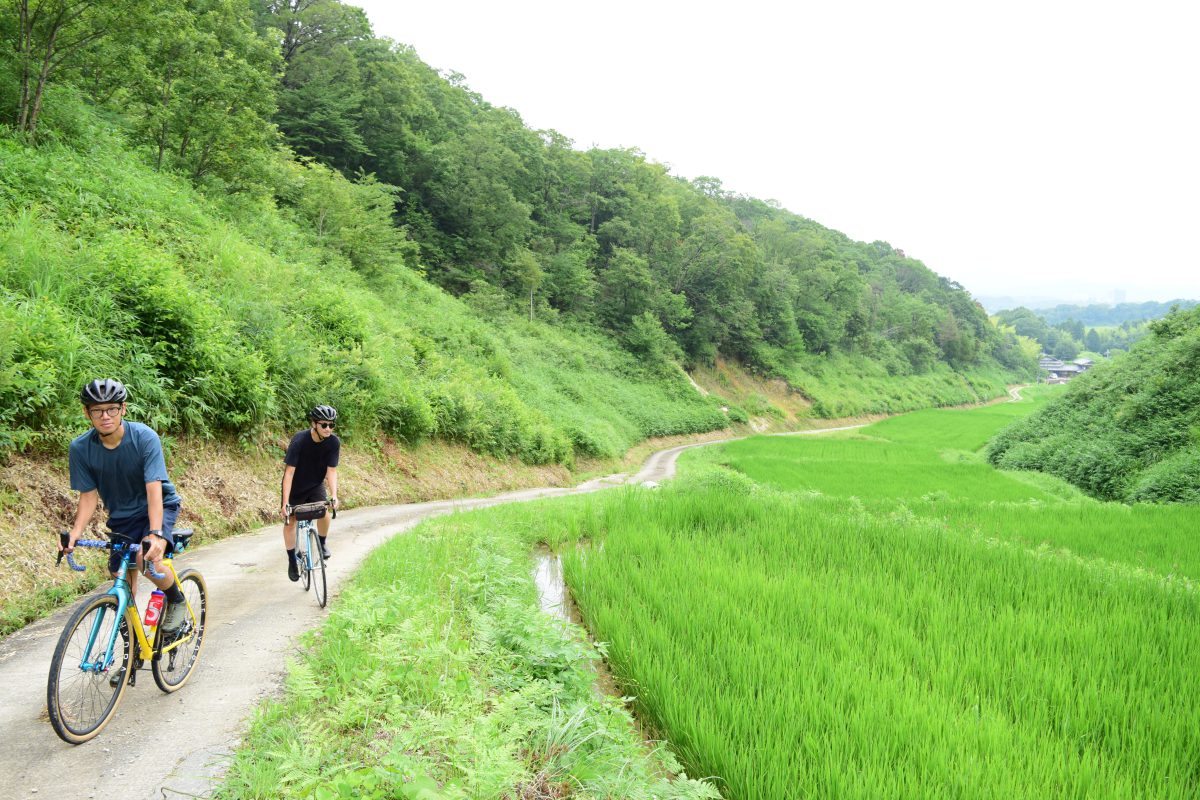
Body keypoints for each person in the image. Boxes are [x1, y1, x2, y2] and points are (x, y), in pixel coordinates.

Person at [61, 379, 188, 633]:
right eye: (97, 410)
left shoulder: (144, 438)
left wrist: (155, 534)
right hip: (122, 517)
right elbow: (88, 496)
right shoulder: (80, 449)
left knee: (145, 559)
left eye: (112, 409)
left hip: (159, 506)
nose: (105, 416)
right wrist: (75, 533)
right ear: (87, 413)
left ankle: (176, 599)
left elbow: (154, 489)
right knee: (120, 581)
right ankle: (132, 648)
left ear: (123, 409)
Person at [280, 405, 340, 581]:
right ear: (314, 424)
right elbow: (289, 473)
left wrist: (334, 495)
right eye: (324, 425)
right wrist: (285, 503)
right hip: (296, 486)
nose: (328, 428)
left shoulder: (333, 442)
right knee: (290, 521)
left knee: (324, 512)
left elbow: (331, 471)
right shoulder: (299, 440)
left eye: (331, 425)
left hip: (315, 485)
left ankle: (321, 544)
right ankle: (292, 561)